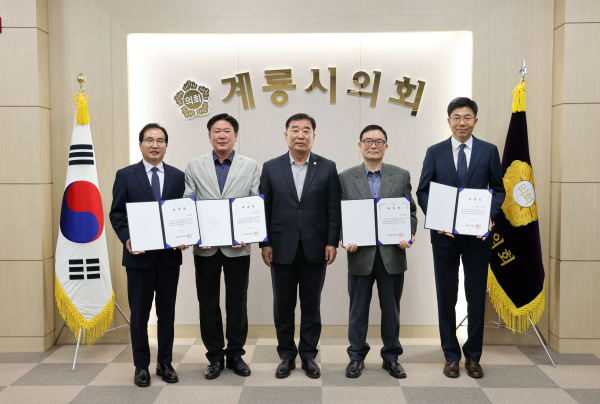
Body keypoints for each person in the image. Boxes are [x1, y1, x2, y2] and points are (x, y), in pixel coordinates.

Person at [416, 97, 505, 378]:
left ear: (475, 121)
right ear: (448, 121)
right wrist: (436, 220)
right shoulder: (435, 151)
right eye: (456, 117)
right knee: (446, 297)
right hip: (444, 238)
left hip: (478, 237)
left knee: (476, 297)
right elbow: (423, 191)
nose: (462, 122)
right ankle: (451, 355)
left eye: (467, 117)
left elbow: (498, 189)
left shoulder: (489, 151)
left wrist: (489, 216)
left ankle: (474, 356)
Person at [259, 113, 341, 379]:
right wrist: (265, 243)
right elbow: (264, 208)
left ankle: (308, 355)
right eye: (295, 130)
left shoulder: (327, 167)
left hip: (315, 248)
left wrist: (332, 241)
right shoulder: (271, 167)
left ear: (313, 136)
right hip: (280, 247)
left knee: (311, 306)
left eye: (306, 130)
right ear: (286, 135)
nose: (300, 135)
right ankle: (286, 355)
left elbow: (333, 209)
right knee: (283, 307)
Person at [109, 123, 188, 387]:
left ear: (166, 145)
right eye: (149, 140)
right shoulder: (125, 175)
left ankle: (165, 363)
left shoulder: (178, 176)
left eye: (160, 140)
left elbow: (182, 212)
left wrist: (185, 235)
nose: (155, 145)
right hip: (139, 258)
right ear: (141, 144)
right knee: (140, 315)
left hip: (168, 258)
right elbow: (117, 213)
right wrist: (127, 239)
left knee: (167, 313)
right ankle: (141, 366)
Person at [183, 113, 260, 379]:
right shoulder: (194, 165)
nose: (222, 135)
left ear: (236, 136)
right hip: (206, 248)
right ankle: (214, 356)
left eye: (227, 131)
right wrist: (196, 236)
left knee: (237, 302)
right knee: (208, 302)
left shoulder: (250, 165)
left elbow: (254, 202)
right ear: (209, 136)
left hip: (239, 247)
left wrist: (248, 234)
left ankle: (236, 354)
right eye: (217, 131)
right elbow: (189, 202)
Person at [339, 125, 417, 379]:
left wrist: (409, 233)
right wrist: (343, 237)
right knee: (358, 310)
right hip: (359, 255)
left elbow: (410, 212)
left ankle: (391, 357)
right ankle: (356, 356)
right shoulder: (345, 177)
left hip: (392, 255)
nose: (373, 145)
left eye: (379, 141)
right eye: (368, 141)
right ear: (359, 145)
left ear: (386, 146)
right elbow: (338, 214)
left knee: (391, 311)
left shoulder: (400, 175)